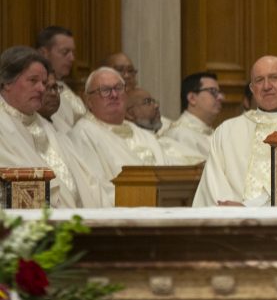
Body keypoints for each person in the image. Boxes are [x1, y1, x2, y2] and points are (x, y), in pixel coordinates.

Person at [192, 56, 277, 207]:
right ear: (252, 89)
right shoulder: (226, 132)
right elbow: (213, 184)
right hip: (231, 219)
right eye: (259, 80)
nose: (266, 86)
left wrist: (250, 209)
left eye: (274, 78)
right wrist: (232, 211)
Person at [0, 46, 97, 208]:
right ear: (6, 83)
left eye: (44, 83)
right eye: (33, 80)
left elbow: (87, 179)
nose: (41, 88)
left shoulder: (48, 126)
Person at [71, 67, 168, 207]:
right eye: (105, 90)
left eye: (118, 88)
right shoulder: (83, 134)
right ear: (89, 100)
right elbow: (95, 190)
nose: (114, 94)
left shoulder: (144, 135)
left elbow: (169, 174)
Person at [125, 87, 203, 164]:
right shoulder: (133, 142)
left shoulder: (165, 140)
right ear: (130, 114)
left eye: (154, 101)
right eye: (148, 102)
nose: (156, 105)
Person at [163, 72, 223, 158]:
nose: (221, 97)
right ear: (192, 98)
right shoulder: (180, 134)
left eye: (219, 92)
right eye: (213, 91)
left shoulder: (213, 132)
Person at [36, 25, 86, 128]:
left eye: (73, 52)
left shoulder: (66, 88)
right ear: (43, 53)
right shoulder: (38, 92)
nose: (72, 58)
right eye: (65, 52)